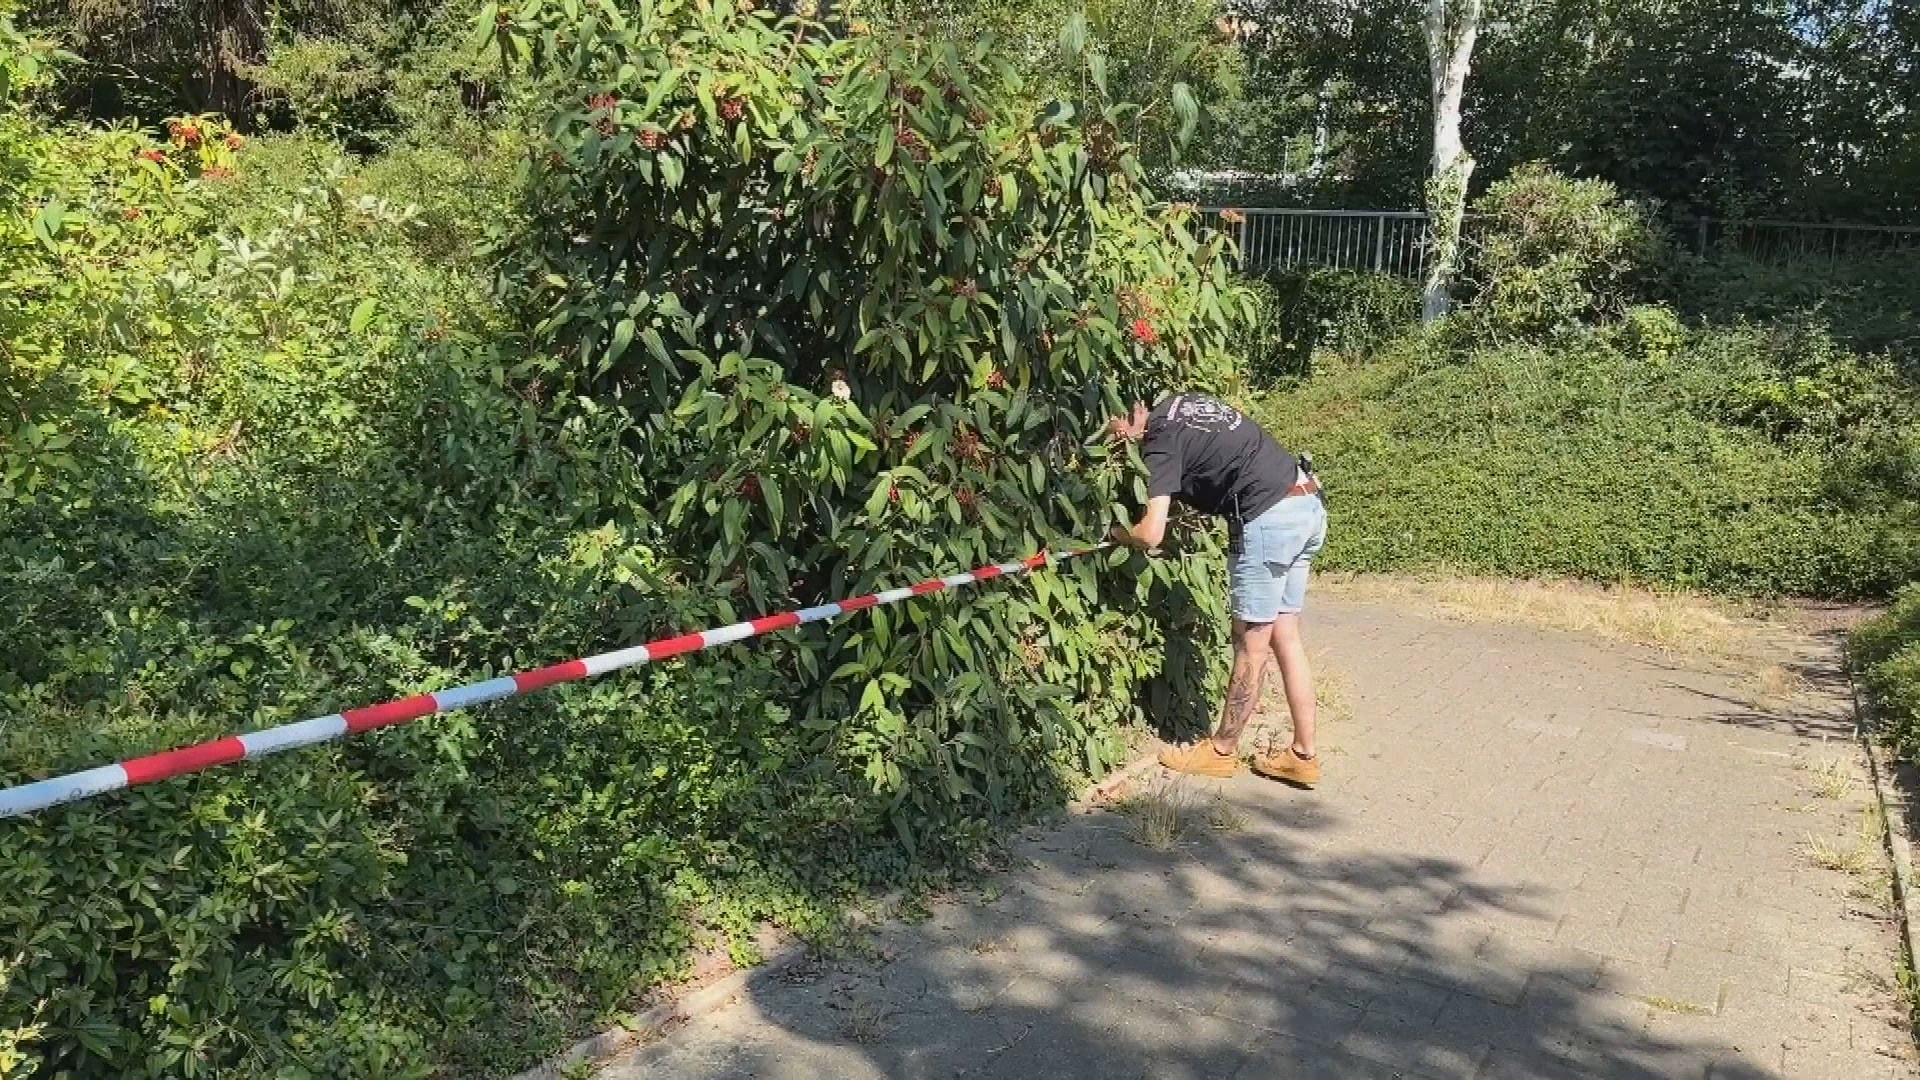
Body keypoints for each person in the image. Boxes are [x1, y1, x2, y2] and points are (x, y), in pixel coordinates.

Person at [1107, 393, 1328, 786]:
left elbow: (1152, 533)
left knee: (1251, 642)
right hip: (1307, 503)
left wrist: (1120, 534)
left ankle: (1221, 750)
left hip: (1268, 519)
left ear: (1138, 413)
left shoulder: (1161, 441)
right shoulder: (1183, 406)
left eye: (1120, 425)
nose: (1122, 433)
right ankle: (1302, 754)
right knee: (1285, 634)